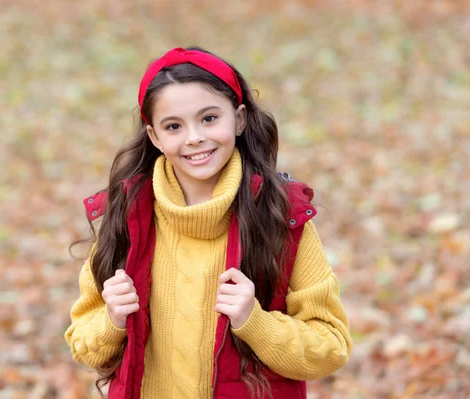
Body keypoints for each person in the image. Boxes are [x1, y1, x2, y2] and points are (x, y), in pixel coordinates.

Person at [65, 47, 352, 399]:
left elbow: (332, 346)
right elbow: (83, 345)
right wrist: (113, 320)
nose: (194, 137)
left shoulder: (280, 219)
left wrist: (256, 322)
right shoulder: (126, 221)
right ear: (154, 136)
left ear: (240, 118)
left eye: (209, 118)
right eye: (173, 126)